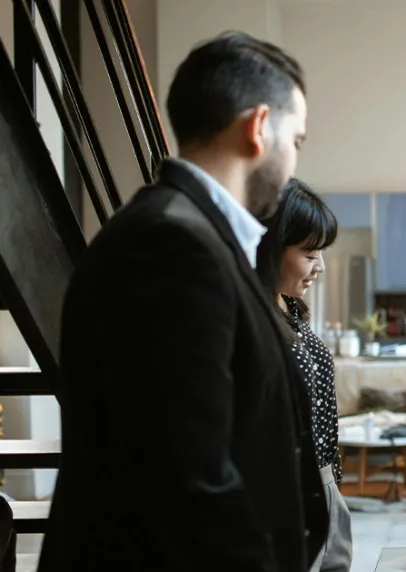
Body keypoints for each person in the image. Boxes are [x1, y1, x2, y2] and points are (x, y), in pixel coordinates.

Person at [41, 32, 328, 572]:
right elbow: (188, 481)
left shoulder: (191, 236)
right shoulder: (172, 247)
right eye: (297, 141)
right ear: (259, 127)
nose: (293, 163)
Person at [256, 179, 352, 572]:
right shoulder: (251, 317)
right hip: (283, 493)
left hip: (322, 483)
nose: (321, 266)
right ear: (269, 248)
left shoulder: (291, 310)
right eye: (310, 252)